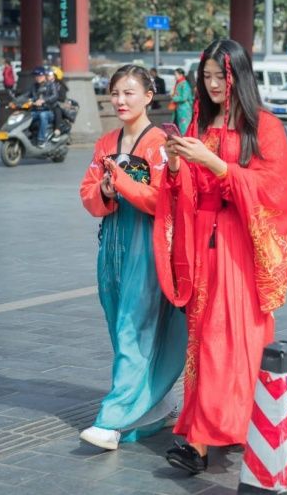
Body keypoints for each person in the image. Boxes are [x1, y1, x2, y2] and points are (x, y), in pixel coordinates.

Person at [153, 39, 287, 474]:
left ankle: (200, 439)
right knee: (205, 339)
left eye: (222, 76)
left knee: (231, 339)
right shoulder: (202, 122)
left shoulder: (264, 127)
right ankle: (210, 428)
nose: (214, 84)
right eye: (208, 76)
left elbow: (275, 189)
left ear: (240, 76)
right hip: (204, 243)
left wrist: (216, 164)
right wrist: (178, 165)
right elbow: (188, 191)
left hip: (240, 244)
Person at [78, 64, 187, 450]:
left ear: (148, 95)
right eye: (115, 93)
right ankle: (157, 401)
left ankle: (112, 419)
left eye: (129, 93)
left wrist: (121, 182)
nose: (121, 100)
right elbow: (87, 192)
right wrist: (106, 189)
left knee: (132, 327)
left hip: (148, 244)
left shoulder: (161, 143)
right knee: (118, 323)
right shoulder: (106, 142)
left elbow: (163, 200)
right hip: (112, 243)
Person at [171, 67, 193, 134]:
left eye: (176, 74)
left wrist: (174, 98)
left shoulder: (184, 84)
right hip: (179, 108)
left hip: (184, 109)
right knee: (179, 127)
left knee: (184, 127)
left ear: (181, 75)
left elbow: (184, 97)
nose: (175, 76)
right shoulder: (179, 83)